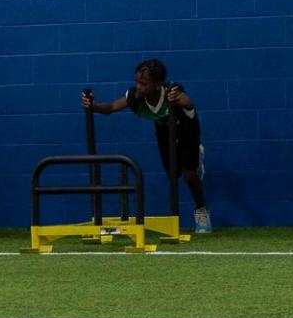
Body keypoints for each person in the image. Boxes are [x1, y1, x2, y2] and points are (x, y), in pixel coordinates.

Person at [81, 59, 211, 233]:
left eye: (143, 83)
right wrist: (94, 106)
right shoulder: (135, 97)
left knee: (189, 175)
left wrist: (180, 98)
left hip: (186, 127)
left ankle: (201, 211)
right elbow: (112, 106)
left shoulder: (171, 93)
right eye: (137, 82)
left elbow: (188, 102)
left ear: (158, 84)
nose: (139, 86)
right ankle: (191, 162)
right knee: (173, 173)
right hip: (164, 128)